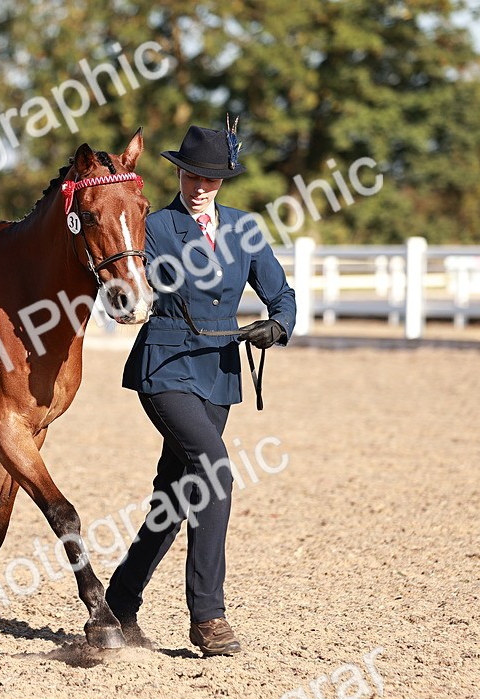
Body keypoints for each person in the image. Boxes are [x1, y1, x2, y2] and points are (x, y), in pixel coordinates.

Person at [106, 121, 296, 656]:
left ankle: (118, 603)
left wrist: (277, 325)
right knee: (215, 472)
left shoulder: (244, 229)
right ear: (179, 173)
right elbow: (119, 276)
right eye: (191, 175)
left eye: (210, 178)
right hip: (164, 367)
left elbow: (281, 294)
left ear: (222, 180)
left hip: (219, 373)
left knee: (177, 493)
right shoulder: (155, 225)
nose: (199, 186)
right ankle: (208, 618)